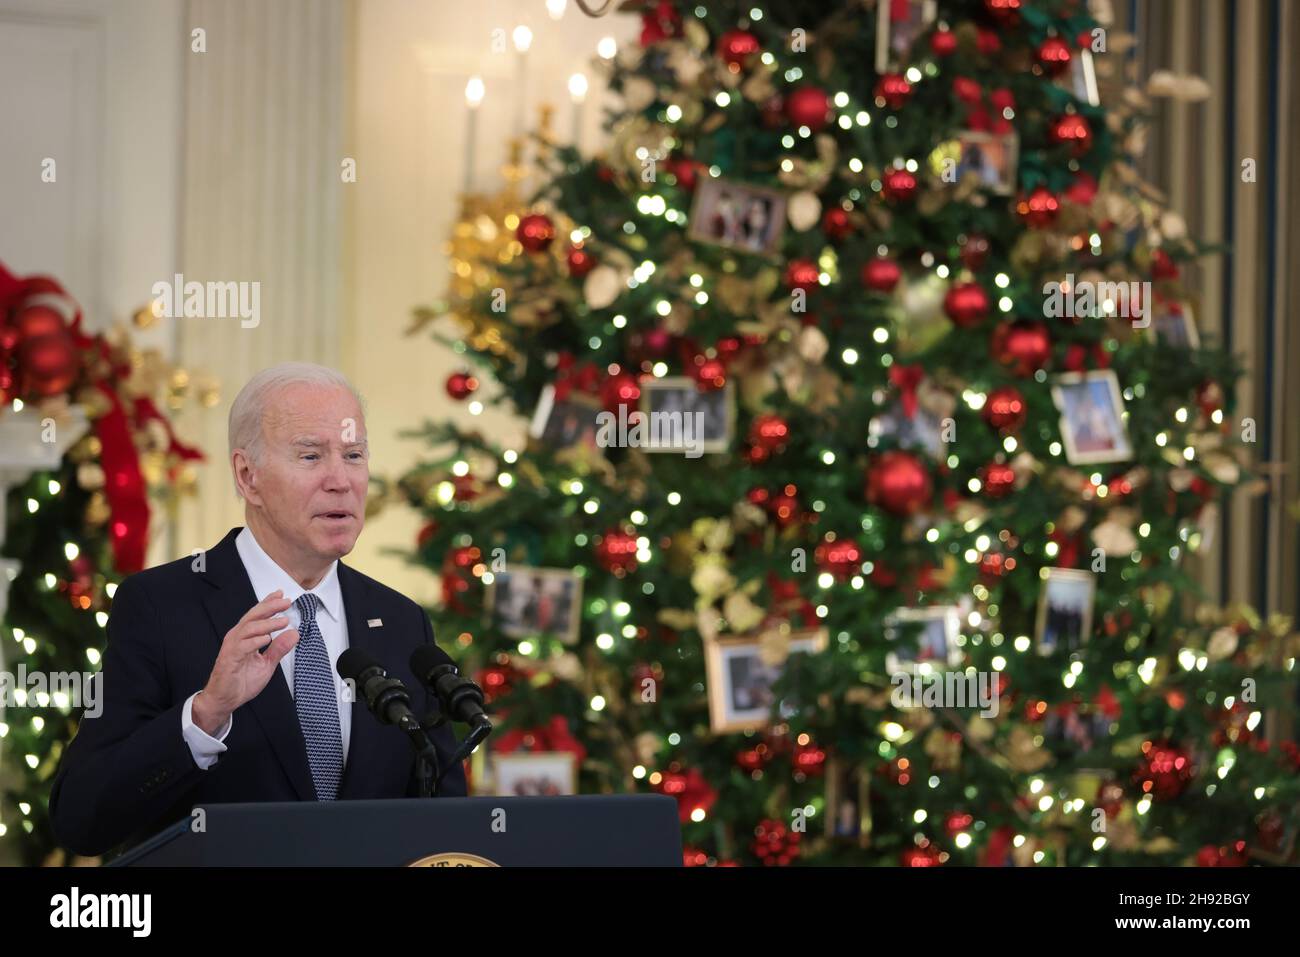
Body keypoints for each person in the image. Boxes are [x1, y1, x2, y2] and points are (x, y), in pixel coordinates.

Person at [49, 363, 467, 858]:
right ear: (248, 477)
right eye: (311, 456)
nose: (341, 480)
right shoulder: (159, 608)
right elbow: (81, 819)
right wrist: (205, 714)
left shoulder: (400, 621)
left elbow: (448, 826)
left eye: (353, 455)